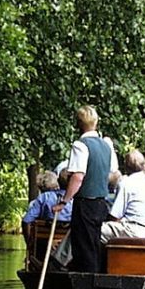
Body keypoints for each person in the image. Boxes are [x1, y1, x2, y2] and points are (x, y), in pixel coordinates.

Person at [54, 105, 119, 273]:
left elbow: (77, 177)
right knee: (94, 243)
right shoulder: (106, 145)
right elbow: (113, 171)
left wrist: (64, 201)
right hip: (101, 203)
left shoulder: (80, 145)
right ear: (96, 122)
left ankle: (87, 282)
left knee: (83, 246)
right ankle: (94, 278)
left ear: (79, 124)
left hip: (85, 203)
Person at [100, 150, 145, 243]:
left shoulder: (126, 183)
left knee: (91, 231)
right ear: (144, 166)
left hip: (131, 231)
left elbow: (115, 216)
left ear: (126, 167)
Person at [21, 170, 71, 244]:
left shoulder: (44, 197)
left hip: (44, 243)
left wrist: (29, 243)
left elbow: (26, 221)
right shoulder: (76, 200)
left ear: (58, 181)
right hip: (68, 244)